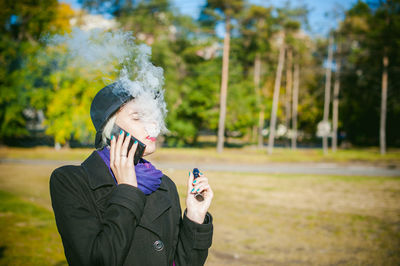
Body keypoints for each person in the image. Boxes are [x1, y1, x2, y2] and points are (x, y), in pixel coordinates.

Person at [50, 81, 214, 266]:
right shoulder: (71, 181)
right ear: (111, 129)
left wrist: (195, 217)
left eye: (152, 115)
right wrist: (127, 189)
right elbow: (96, 260)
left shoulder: (164, 184)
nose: (153, 124)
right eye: (138, 117)